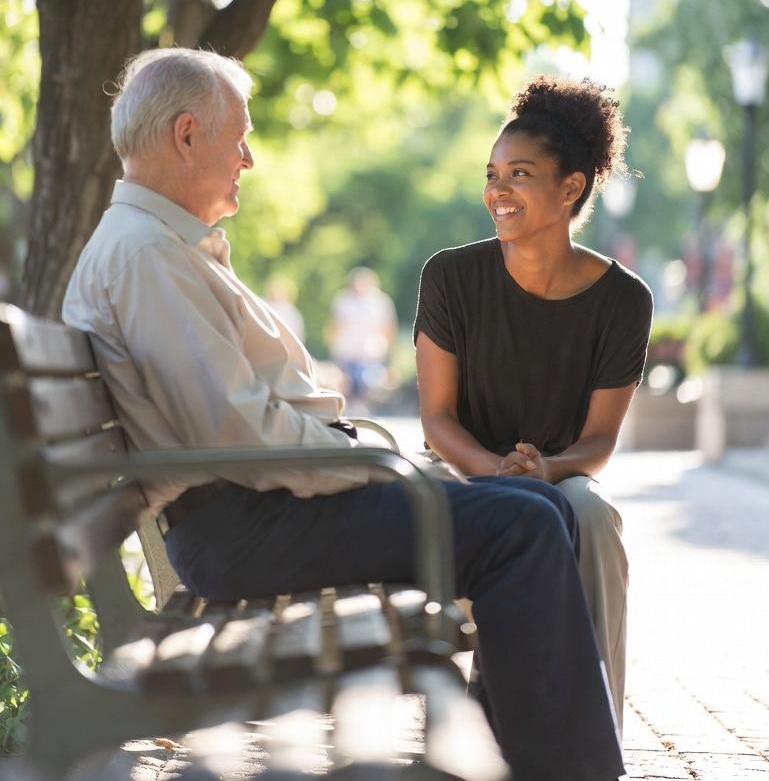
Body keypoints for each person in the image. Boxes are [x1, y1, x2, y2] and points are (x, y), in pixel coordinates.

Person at [63, 49, 624, 781]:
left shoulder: (160, 247)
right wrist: (371, 468)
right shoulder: (146, 256)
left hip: (258, 508)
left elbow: (238, 424)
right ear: (187, 134)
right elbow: (239, 433)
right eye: (240, 137)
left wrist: (376, 463)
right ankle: (568, 771)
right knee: (522, 522)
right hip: (246, 525)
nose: (250, 158)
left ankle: (527, 758)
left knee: (534, 504)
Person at [414, 75, 654, 730]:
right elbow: (437, 418)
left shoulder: (624, 300)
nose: (498, 190)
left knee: (594, 517)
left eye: (520, 173)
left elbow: (599, 439)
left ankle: (596, 735)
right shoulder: (451, 276)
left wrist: (547, 470)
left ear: (570, 186)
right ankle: (483, 723)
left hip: (559, 479)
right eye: (493, 173)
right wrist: (497, 474)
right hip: (463, 474)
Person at [326, 267, 397, 406]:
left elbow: (388, 328)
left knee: (368, 383)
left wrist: (387, 349)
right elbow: (334, 325)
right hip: (347, 350)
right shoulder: (343, 300)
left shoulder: (380, 301)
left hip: (370, 353)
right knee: (346, 383)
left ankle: (363, 406)